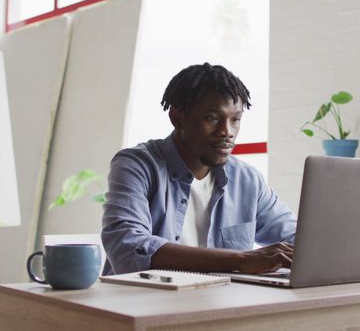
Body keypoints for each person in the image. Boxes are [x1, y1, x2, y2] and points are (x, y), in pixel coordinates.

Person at [101, 63, 296, 275]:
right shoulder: (137, 166)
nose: (226, 131)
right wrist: (240, 259)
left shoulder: (247, 180)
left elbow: (297, 239)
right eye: (211, 118)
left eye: (235, 119)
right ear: (177, 117)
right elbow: (129, 246)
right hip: (142, 303)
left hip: (220, 304)